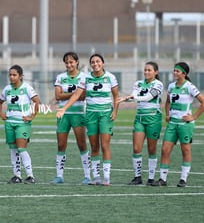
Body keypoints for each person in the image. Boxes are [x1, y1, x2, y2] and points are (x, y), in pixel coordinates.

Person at [56, 53, 119, 186]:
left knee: (105, 145)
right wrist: (64, 108)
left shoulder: (110, 77)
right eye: (93, 62)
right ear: (90, 64)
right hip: (90, 114)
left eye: (98, 61)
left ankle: (106, 177)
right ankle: (95, 177)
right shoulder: (86, 78)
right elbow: (77, 95)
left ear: (102, 63)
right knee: (94, 146)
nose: (95, 64)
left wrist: (115, 111)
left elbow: (116, 96)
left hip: (105, 114)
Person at [152, 62, 204, 187]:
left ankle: (183, 179)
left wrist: (193, 117)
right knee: (165, 150)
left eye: (177, 71)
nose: (174, 73)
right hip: (172, 124)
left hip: (185, 125)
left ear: (184, 73)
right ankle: (162, 179)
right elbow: (167, 102)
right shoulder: (171, 86)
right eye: (174, 70)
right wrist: (167, 114)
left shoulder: (189, 87)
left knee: (185, 150)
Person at [118, 61, 163, 186]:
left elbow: (148, 97)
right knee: (136, 148)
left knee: (152, 149)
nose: (146, 72)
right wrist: (129, 97)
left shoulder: (158, 84)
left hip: (153, 118)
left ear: (156, 72)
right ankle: (137, 177)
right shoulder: (138, 83)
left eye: (149, 70)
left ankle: (151, 178)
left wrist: (130, 98)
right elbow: (134, 94)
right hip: (140, 118)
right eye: (145, 70)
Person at [0, 64, 40, 184]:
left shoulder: (27, 88)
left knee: (21, 148)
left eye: (14, 75)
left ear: (20, 76)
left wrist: (31, 116)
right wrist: (1, 113)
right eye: (10, 75)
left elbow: (37, 102)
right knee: (13, 149)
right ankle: (17, 176)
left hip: (22, 123)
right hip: (9, 122)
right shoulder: (7, 89)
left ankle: (30, 175)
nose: (11, 77)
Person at [51, 52, 91, 185]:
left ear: (77, 62)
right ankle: (59, 176)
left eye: (71, 62)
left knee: (82, 144)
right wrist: (74, 94)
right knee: (61, 145)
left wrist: (67, 94)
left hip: (78, 114)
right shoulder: (61, 77)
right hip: (63, 114)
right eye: (67, 62)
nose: (69, 64)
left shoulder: (84, 77)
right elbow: (57, 96)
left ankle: (87, 175)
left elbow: (83, 96)